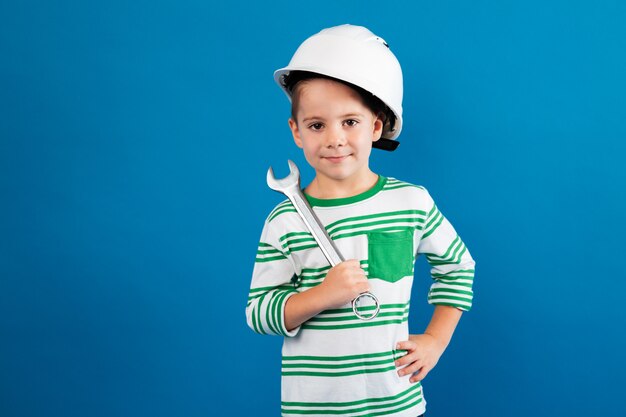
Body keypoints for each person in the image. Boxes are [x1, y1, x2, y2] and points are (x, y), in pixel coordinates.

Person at [246, 24, 475, 417]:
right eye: (317, 125)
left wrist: (435, 340)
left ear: (375, 126)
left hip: (396, 405)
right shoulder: (285, 219)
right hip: (313, 409)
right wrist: (323, 295)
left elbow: (459, 268)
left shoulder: (411, 203)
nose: (334, 138)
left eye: (349, 122)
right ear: (296, 131)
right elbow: (259, 313)